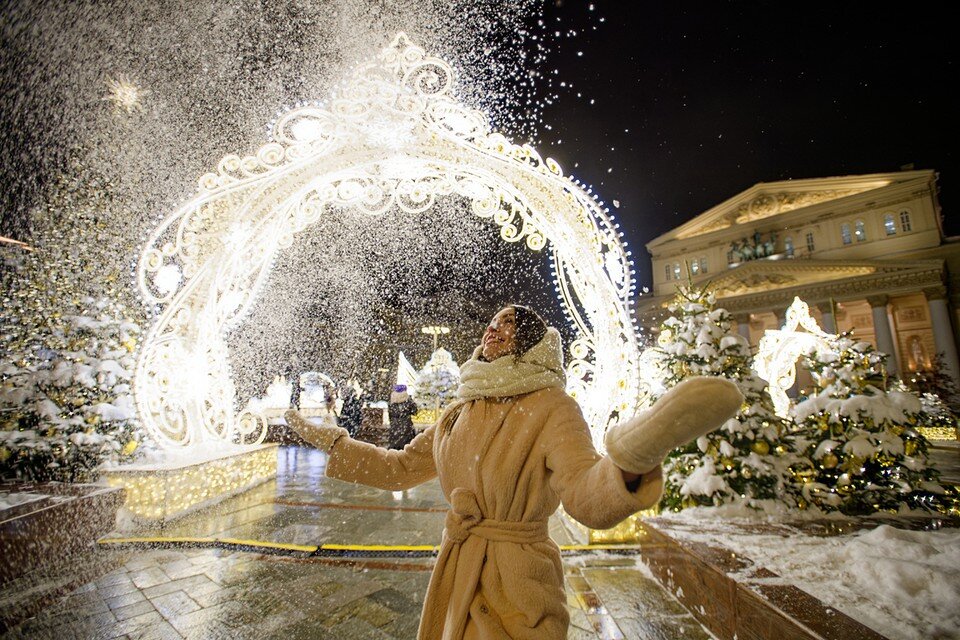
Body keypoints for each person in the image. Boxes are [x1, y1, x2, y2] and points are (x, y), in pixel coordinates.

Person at [286, 304, 742, 640]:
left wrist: (631, 463)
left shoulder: (551, 407)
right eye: (492, 323)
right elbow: (400, 468)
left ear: (530, 344)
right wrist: (332, 440)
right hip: (458, 568)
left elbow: (583, 493)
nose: (494, 331)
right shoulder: (457, 411)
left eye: (509, 326)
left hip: (519, 581)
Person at [387, 384, 419, 450]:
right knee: (407, 446)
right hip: (406, 426)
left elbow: (390, 415)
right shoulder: (408, 400)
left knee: (394, 447)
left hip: (395, 427)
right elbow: (415, 411)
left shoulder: (392, 401)